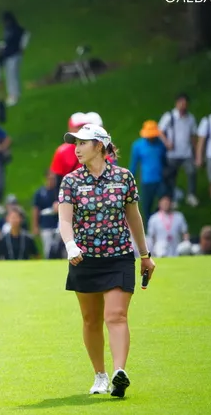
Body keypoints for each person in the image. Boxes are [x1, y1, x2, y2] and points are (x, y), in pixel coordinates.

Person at [58, 123, 156, 398]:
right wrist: (70, 246)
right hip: (83, 259)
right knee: (91, 320)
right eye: (75, 143)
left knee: (116, 315)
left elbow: (134, 217)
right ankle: (100, 375)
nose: (76, 149)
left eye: (82, 143)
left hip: (119, 257)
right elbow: (64, 220)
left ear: (99, 146)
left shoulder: (124, 177)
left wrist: (145, 255)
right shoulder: (71, 181)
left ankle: (119, 372)